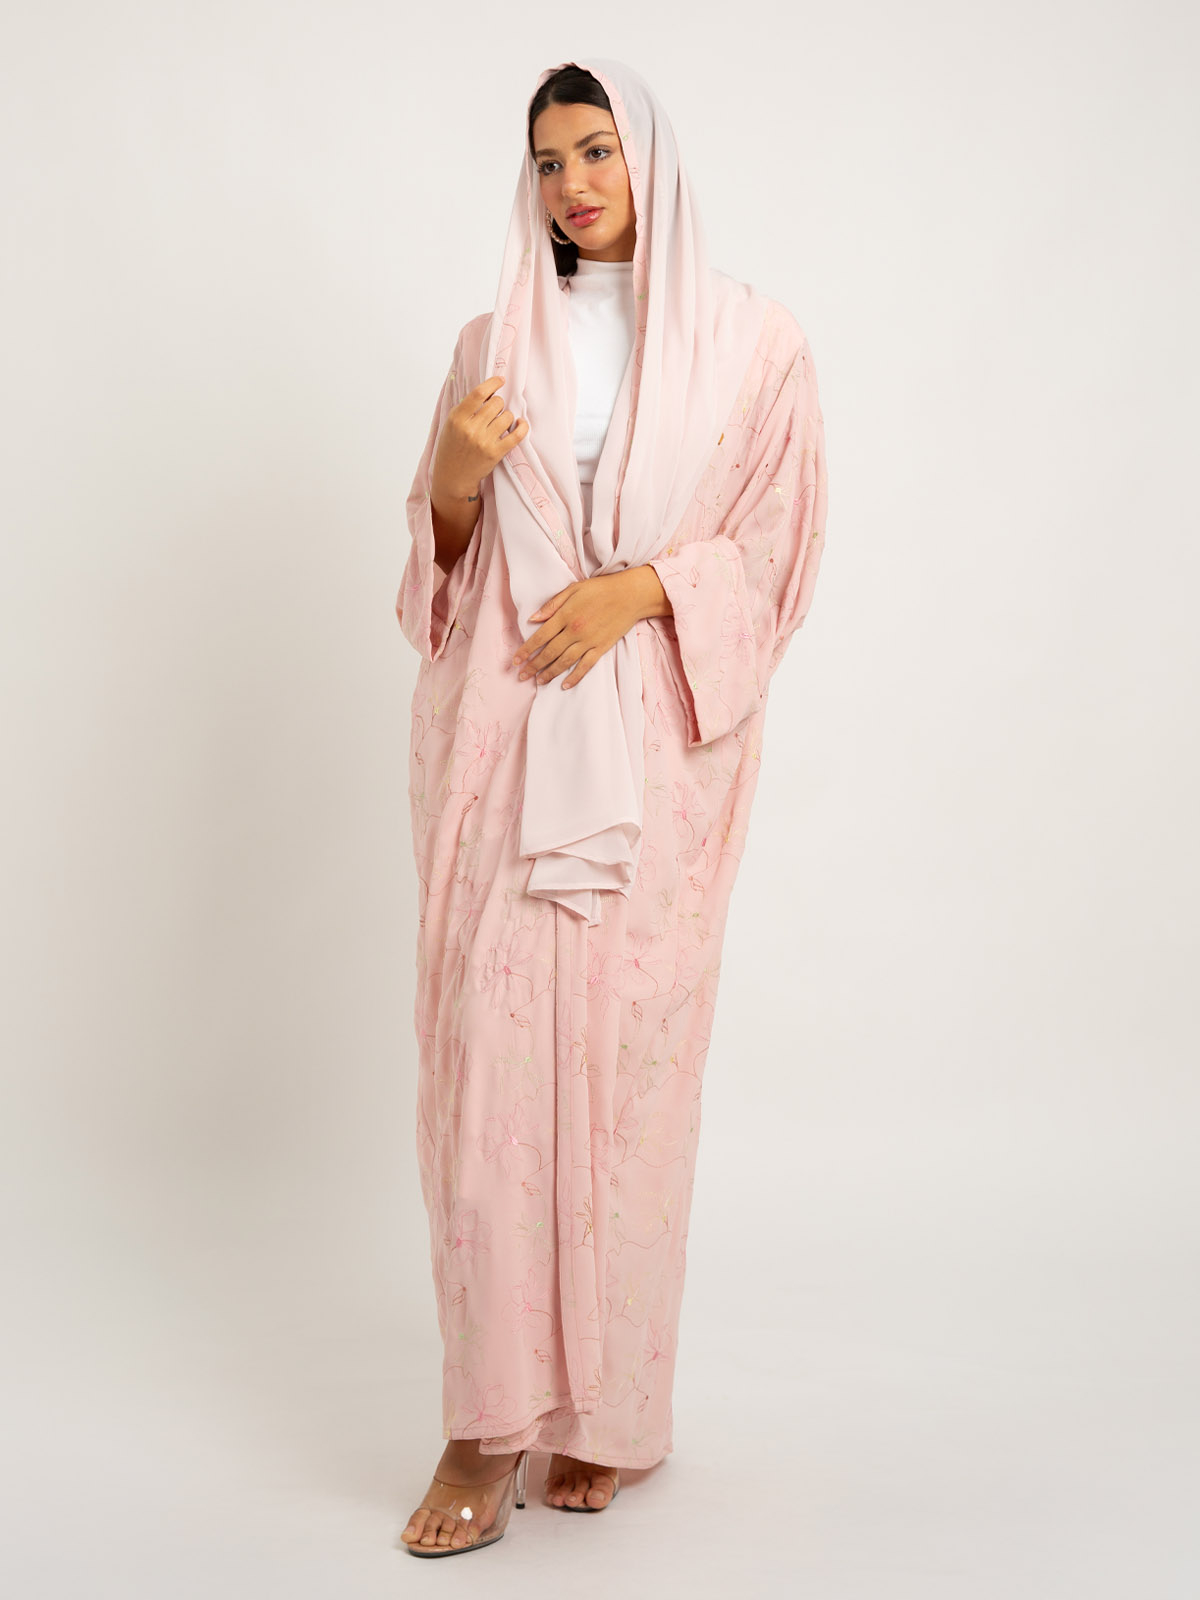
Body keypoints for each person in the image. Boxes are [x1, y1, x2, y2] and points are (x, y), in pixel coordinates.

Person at [397, 57, 829, 1557]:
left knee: (631, 1085)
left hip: (653, 763)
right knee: (487, 1079)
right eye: (546, 162)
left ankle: (603, 1415)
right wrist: (452, 477)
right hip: (503, 745)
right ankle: (482, 1424)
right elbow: (439, 569)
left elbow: (775, 555)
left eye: (596, 151)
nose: (573, 184)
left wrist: (637, 589)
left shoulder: (754, 345)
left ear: (649, 156)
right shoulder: (492, 340)